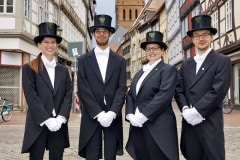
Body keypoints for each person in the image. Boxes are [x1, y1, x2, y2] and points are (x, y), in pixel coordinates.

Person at [174, 15, 232, 160]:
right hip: (189, 126)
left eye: (205, 34)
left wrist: (197, 111)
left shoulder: (222, 61)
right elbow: (178, 89)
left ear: (211, 36)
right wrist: (186, 109)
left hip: (210, 125)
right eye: (197, 35)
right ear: (192, 39)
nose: (201, 38)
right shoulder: (186, 64)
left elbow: (218, 91)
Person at [77, 14, 126, 160]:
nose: (102, 34)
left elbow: (121, 88)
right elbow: (83, 88)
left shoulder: (120, 60)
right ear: (93, 34)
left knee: (110, 155)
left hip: (112, 115)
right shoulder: (83, 60)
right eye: (98, 31)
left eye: (105, 31)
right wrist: (98, 113)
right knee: (92, 155)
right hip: (92, 115)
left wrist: (112, 113)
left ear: (110, 34)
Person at [21, 22, 73, 159]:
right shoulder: (29, 68)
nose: (50, 45)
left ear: (56, 45)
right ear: (39, 44)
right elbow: (32, 97)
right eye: (46, 42)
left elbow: (68, 95)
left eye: (53, 42)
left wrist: (61, 117)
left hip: (58, 124)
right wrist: (47, 120)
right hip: (39, 122)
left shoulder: (63, 70)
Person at [125, 31, 179, 160]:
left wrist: (144, 116)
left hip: (157, 125)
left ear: (162, 50)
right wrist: (130, 114)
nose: (152, 51)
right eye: (148, 48)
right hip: (138, 125)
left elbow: (164, 95)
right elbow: (131, 95)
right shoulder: (139, 73)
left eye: (155, 48)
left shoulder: (168, 70)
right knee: (142, 156)